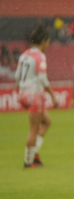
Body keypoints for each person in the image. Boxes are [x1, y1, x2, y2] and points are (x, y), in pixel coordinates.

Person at [15, 25, 58, 168]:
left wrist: (20, 91)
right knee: (34, 129)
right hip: (34, 95)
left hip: (24, 94)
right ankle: (28, 162)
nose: (48, 45)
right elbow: (42, 79)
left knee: (46, 122)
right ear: (44, 41)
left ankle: (35, 154)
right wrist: (53, 96)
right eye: (48, 42)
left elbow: (17, 76)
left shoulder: (24, 55)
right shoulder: (40, 56)